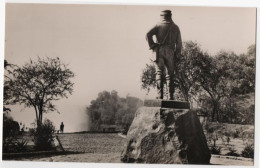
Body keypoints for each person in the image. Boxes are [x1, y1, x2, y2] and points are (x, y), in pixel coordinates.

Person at [146, 10, 182, 100]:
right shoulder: (176, 27)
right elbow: (179, 43)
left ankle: (160, 95)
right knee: (170, 74)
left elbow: (148, 34)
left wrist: (152, 45)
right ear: (170, 16)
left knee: (159, 72)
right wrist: (177, 54)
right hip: (170, 52)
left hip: (159, 51)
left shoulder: (158, 25)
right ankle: (170, 96)